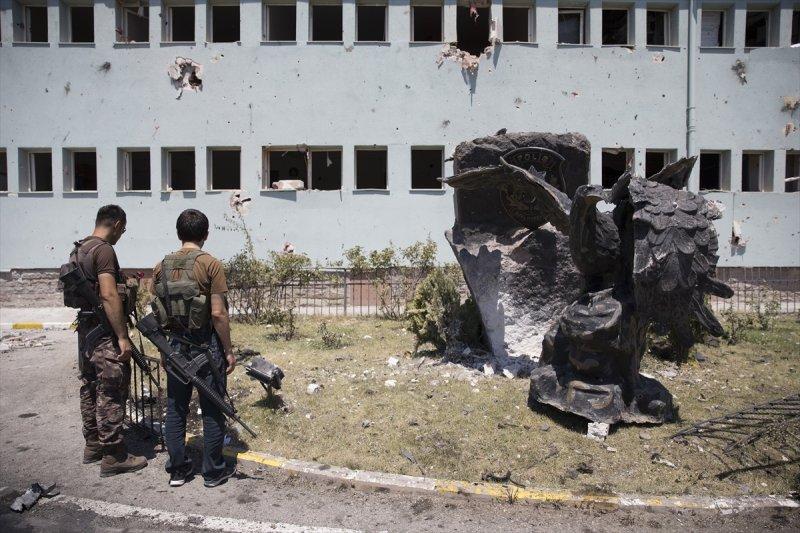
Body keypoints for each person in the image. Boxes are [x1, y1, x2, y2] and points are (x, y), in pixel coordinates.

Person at [151, 209, 237, 488]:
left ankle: (178, 470)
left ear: (178, 234)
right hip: (205, 345)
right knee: (212, 408)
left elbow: (159, 312)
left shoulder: (160, 266)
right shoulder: (210, 264)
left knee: (176, 408)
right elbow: (218, 314)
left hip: (174, 345)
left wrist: (165, 351)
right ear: (205, 234)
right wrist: (228, 350)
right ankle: (212, 472)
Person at [71, 205, 148, 477]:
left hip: (86, 329)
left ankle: (93, 445)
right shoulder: (103, 250)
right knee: (111, 387)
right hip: (104, 331)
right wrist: (122, 336)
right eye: (123, 229)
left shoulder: (80, 249)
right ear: (116, 223)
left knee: (90, 385)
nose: (122, 234)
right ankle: (114, 455)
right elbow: (108, 294)